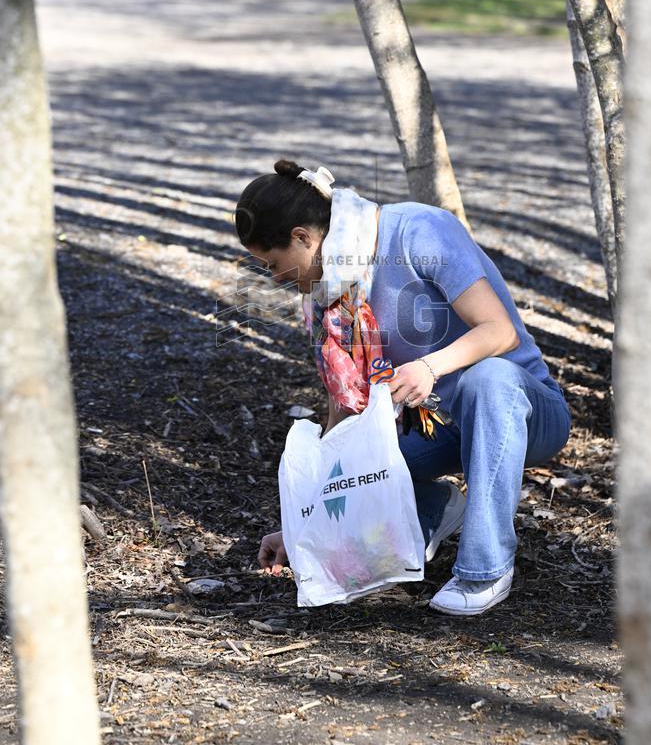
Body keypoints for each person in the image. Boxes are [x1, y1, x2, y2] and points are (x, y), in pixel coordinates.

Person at [234, 159, 571, 616]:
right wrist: (305, 527)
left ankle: (485, 569)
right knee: (362, 466)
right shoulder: (326, 296)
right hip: (437, 428)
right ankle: (435, 508)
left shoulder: (419, 231)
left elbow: (500, 332)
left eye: (272, 264)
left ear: (302, 237)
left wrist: (429, 367)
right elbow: (345, 414)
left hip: (522, 411)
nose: (274, 278)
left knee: (487, 378)